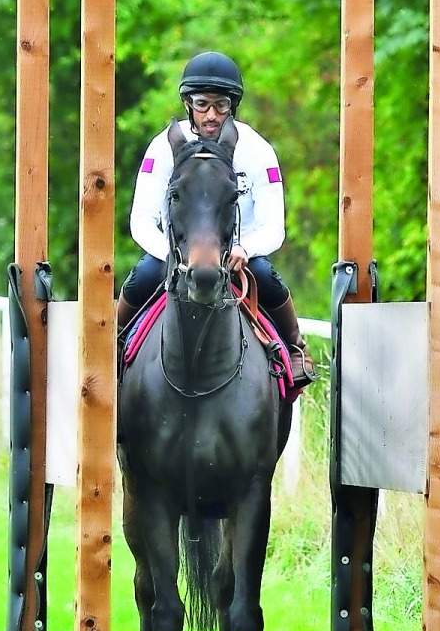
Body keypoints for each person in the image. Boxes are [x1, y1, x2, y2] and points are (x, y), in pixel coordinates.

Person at [119, 50, 317, 387]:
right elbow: (141, 219)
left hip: (237, 255)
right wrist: (172, 256)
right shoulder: (162, 148)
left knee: (266, 276)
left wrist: (246, 249)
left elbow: (274, 227)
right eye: (202, 104)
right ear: (188, 105)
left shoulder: (257, 150)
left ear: (233, 106)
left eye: (221, 105)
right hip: (179, 254)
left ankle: (296, 348)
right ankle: (111, 341)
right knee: (144, 274)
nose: (211, 115)